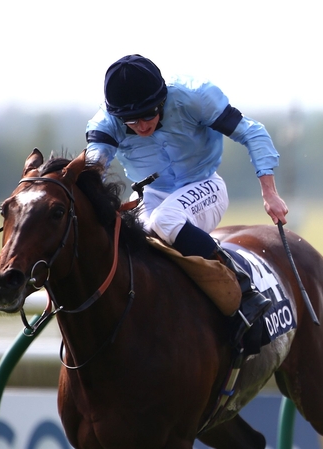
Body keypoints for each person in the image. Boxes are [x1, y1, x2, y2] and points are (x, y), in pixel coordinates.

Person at [85, 54, 288, 344]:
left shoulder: (195, 97)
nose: (141, 126)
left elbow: (252, 133)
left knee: (165, 220)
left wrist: (269, 192)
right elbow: (92, 172)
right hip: (150, 195)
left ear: (162, 100)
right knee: (134, 237)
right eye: (131, 120)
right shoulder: (107, 123)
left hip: (205, 185)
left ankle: (244, 289)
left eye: (149, 115)